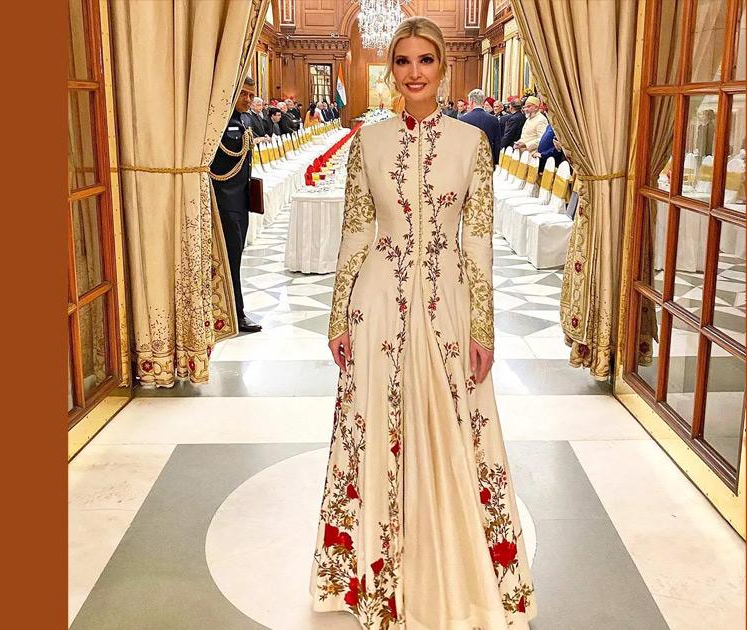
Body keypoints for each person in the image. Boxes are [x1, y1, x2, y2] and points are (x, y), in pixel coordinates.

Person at [312, 15, 536, 630]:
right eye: (403, 61)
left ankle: (454, 568)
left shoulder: (472, 144)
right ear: (392, 69)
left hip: (448, 306)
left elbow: (479, 243)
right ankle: (376, 573)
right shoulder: (368, 143)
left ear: (444, 67)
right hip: (378, 305)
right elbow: (355, 233)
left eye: (426, 60)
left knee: (455, 428)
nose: (414, 73)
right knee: (375, 426)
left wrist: (483, 328)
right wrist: (337, 316)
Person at [209, 76, 262, 333]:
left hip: (240, 200)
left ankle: (231, 310)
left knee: (236, 258)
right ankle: (236, 313)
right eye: (243, 94)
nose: (248, 100)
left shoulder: (245, 120)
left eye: (251, 95)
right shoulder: (216, 122)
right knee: (229, 260)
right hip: (223, 201)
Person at [459, 88, 503, 165]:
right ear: (482, 102)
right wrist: (495, 162)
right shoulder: (493, 119)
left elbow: (460, 143)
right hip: (488, 160)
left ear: (471, 101)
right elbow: (497, 143)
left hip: (469, 161)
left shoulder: (463, 119)